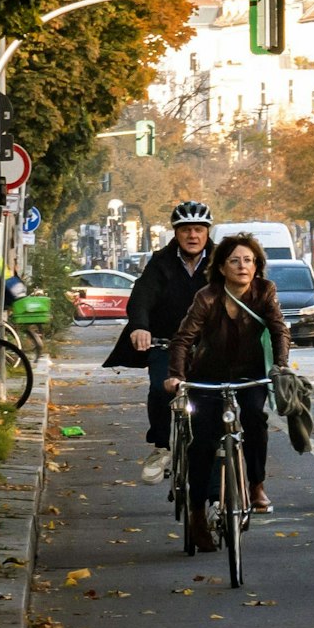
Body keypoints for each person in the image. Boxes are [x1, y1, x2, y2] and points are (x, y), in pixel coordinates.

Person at [164, 235, 291, 552]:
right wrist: (177, 377)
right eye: (235, 260)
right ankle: (196, 514)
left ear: (257, 265)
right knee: (202, 440)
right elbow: (183, 339)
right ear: (221, 267)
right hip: (207, 378)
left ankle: (256, 485)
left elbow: (279, 329)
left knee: (255, 418)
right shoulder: (207, 298)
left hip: (250, 376)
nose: (243, 266)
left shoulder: (265, 292)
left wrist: (280, 366)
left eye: (248, 260)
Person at [104, 202, 214, 484]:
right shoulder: (161, 262)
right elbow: (142, 295)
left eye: (199, 230)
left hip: (210, 345)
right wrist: (140, 327)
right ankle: (162, 447)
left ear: (207, 233)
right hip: (166, 343)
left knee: (218, 396)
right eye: (186, 230)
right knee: (160, 388)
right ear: (175, 234)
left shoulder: (220, 260)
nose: (193, 236)